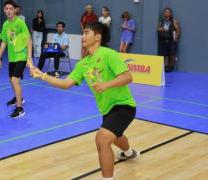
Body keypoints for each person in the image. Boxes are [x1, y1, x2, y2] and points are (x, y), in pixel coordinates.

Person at [30, 22, 139, 180]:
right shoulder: (83, 64)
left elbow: (127, 77)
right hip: (106, 110)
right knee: (116, 136)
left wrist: (106, 84)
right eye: (83, 33)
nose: (83, 36)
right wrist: (42, 75)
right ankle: (129, 153)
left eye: (86, 33)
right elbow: (66, 83)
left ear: (98, 37)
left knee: (102, 138)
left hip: (124, 105)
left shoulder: (109, 54)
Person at [0, 0, 33, 118]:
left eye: (11, 8)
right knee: (10, 79)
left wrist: (29, 58)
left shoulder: (20, 23)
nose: (8, 11)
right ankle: (19, 98)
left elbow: (29, 40)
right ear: (4, 10)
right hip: (11, 57)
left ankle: (20, 109)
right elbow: (4, 42)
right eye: (6, 8)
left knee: (15, 80)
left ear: (15, 10)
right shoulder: (5, 24)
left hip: (21, 56)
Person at [157, 8, 180, 72]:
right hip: (163, 41)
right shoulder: (161, 21)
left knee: (172, 54)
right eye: (165, 12)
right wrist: (159, 29)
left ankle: (171, 67)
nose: (166, 13)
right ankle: (165, 67)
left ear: (170, 13)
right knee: (164, 55)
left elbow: (178, 30)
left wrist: (176, 37)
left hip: (171, 40)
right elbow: (158, 29)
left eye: (168, 12)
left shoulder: (174, 21)